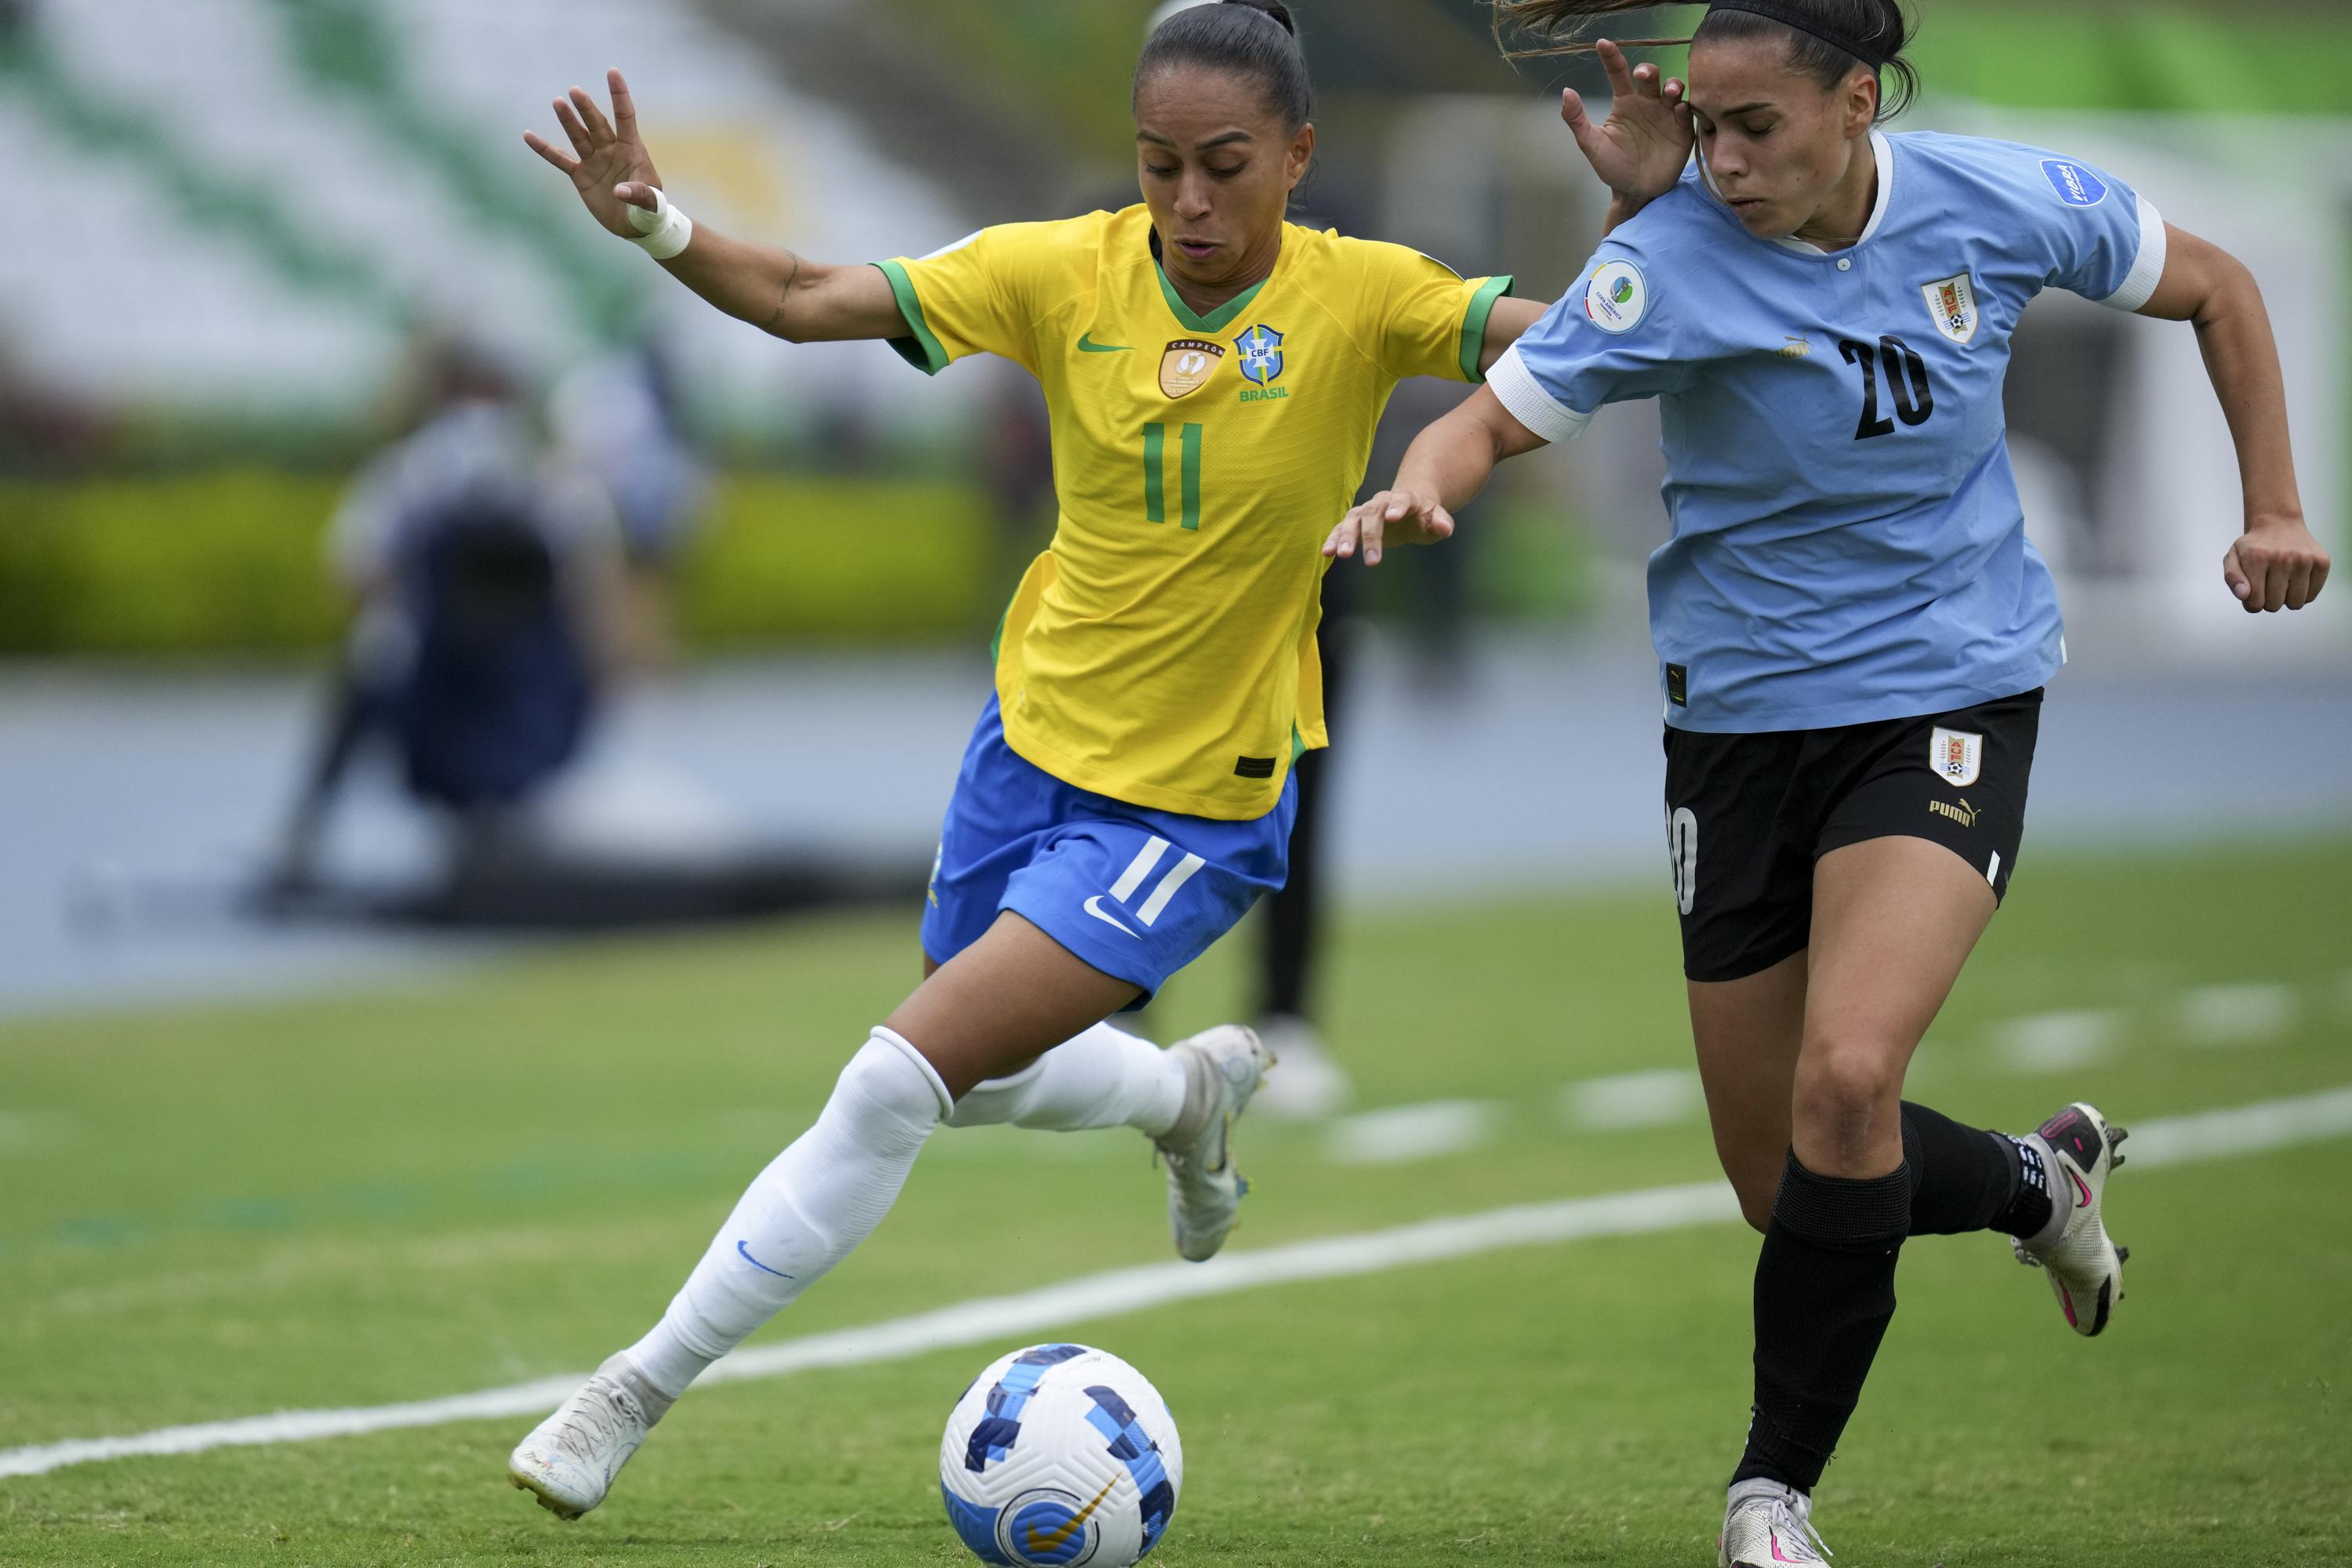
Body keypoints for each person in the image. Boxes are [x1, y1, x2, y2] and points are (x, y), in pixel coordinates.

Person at [506, 0, 1544, 1520]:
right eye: (1159, 165)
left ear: (1300, 156)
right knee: (971, 1082)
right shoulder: (1063, 269)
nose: (1187, 202)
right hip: (1026, 747)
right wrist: (659, 224)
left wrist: (1677, 236)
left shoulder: (1367, 297)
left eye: (1226, 166)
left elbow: (1587, 345)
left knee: (887, 1082)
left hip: (1197, 805)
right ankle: (1181, 1100)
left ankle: (629, 1389)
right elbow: (801, 296)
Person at [1327, 3, 2331, 1563]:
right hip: (1731, 729)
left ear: (1858, 101)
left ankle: (1770, 1494)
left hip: (1950, 692)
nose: (1725, 162)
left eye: (1757, 127)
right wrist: (1419, 488)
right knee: (1784, 1176)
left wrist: (2276, 503)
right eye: (1708, 129)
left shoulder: (1996, 206)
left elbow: (2223, 288)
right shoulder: (1670, 262)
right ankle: (2030, 1179)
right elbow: (1486, 422)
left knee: (1849, 1083)